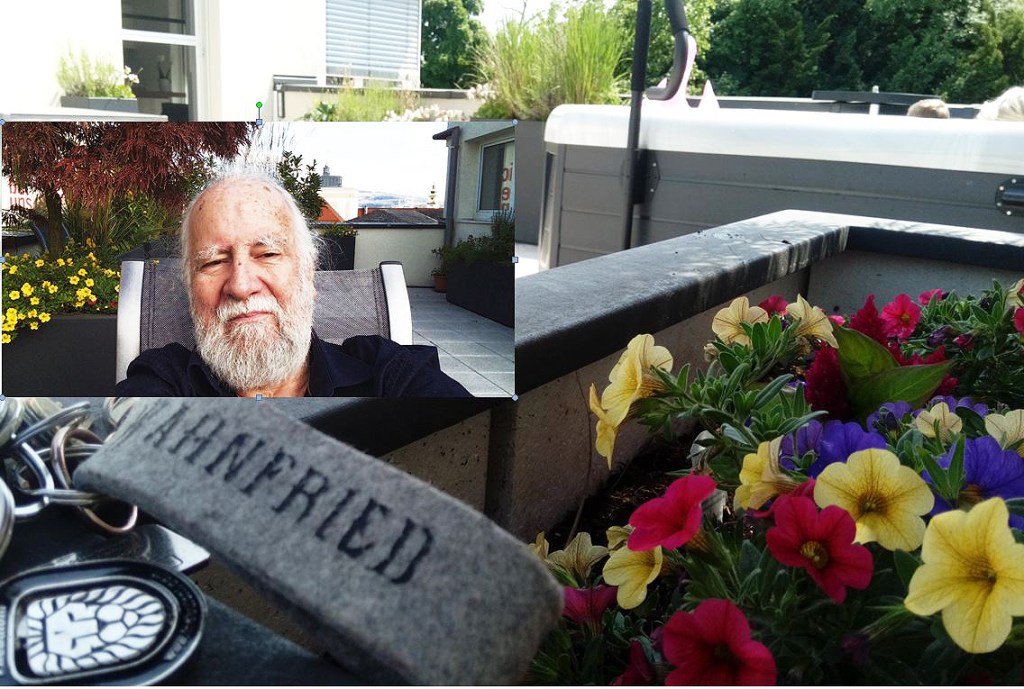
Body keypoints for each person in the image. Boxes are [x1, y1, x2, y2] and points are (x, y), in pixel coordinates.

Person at [115, 169, 472, 397]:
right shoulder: (163, 380)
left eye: (268, 254)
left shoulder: (386, 374)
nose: (241, 285)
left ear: (308, 275)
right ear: (191, 290)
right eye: (213, 261)